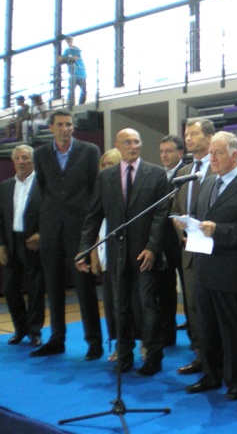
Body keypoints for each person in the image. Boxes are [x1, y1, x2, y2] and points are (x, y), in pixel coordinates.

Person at [76, 128, 169, 376]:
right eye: (127, 142)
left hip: (145, 255)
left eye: (137, 141)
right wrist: (84, 249)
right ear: (117, 145)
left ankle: (153, 356)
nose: (133, 146)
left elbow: (161, 215)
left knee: (148, 307)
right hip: (117, 253)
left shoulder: (156, 173)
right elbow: (94, 216)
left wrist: (152, 247)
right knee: (120, 307)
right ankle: (124, 355)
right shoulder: (105, 177)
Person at [182, 131, 237, 401]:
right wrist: (189, 229)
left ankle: (236, 381)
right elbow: (201, 219)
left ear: (234, 155)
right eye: (211, 153)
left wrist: (218, 230)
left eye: (218, 153)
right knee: (207, 328)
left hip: (233, 271)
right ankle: (211, 375)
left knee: (234, 331)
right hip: (205, 269)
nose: (213, 158)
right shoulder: (207, 183)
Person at [31, 109, 103, 360]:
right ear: (51, 127)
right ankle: (56, 339)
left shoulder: (89, 151)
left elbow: (95, 189)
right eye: (60, 125)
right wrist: (43, 225)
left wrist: (92, 230)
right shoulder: (40, 154)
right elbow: (42, 190)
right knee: (53, 286)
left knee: (85, 288)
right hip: (51, 229)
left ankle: (94, 342)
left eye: (69, 125)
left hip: (80, 229)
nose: (65, 129)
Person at [170, 118, 215, 375]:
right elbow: (175, 208)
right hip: (188, 250)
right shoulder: (183, 171)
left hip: (215, 250)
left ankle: (219, 357)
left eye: (194, 134)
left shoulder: (219, 169)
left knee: (213, 308)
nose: (188, 138)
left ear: (209, 138)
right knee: (193, 307)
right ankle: (200, 355)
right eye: (186, 134)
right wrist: (181, 228)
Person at [0, 145, 44, 347]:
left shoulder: (43, 184)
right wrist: (1, 244)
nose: (21, 161)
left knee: (36, 289)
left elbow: (51, 214)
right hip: (11, 243)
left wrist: (42, 234)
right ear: (13, 162)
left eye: (25, 157)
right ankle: (20, 328)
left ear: (33, 161)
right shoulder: (6, 186)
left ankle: (34, 331)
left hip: (33, 243)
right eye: (17, 158)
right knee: (9, 288)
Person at [89, 148, 123, 362]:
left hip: (124, 256)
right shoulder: (98, 190)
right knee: (110, 305)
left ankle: (143, 343)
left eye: (111, 164)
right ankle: (118, 344)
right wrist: (93, 255)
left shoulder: (127, 190)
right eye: (104, 164)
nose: (106, 168)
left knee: (128, 305)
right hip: (105, 256)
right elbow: (93, 224)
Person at [158, 134, 185, 347]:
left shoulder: (187, 173)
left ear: (180, 153)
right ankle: (168, 333)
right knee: (165, 290)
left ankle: (195, 335)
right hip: (163, 242)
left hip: (183, 241)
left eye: (169, 151)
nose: (164, 155)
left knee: (189, 290)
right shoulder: (159, 175)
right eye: (162, 151)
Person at [58, 36, 87, 105]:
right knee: (71, 91)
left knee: (83, 91)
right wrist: (64, 59)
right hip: (72, 74)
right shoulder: (67, 50)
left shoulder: (76, 49)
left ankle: (81, 104)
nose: (69, 42)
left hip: (81, 73)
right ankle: (71, 104)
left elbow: (74, 58)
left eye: (70, 41)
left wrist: (64, 58)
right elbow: (60, 60)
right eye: (67, 41)